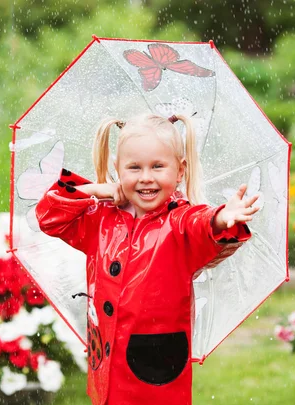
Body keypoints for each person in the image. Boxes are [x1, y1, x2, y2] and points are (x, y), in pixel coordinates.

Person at [36, 113, 259, 405]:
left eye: (157, 166)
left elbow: (201, 223)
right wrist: (93, 190)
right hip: (108, 366)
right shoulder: (100, 220)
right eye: (134, 167)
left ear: (180, 171)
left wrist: (220, 218)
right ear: (117, 169)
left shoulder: (179, 222)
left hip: (156, 366)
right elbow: (50, 218)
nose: (145, 178)